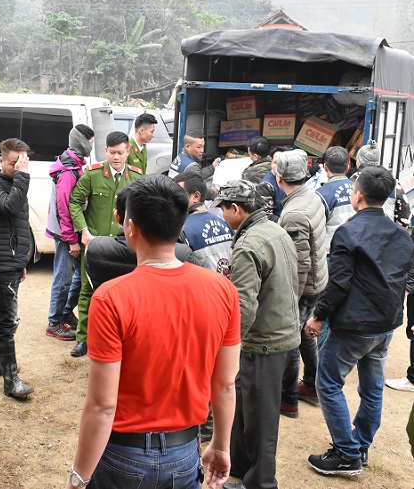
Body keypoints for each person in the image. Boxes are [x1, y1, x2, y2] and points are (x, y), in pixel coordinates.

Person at [65, 175, 241, 489]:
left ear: (129, 227)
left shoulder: (110, 297)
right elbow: (226, 384)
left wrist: (79, 477)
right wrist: (221, 445)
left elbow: (103, 405)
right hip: (185, 451)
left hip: (123, 454)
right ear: (181, 225)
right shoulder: (223, 290)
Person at [305, 165, 414, 475]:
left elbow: (338, 284)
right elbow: (407, 273)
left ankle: (347, 452)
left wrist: (318, 317)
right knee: (372, 389)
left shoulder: (348, 232)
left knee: (328, 383)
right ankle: (360, 446)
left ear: (358, 196)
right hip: (385, 324)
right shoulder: (401, 233)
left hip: (354, 325)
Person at [212, 179, 300, 489]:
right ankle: (240, 464)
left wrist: (228, 346)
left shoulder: (249, 245)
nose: (222, 215)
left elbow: (243, 305)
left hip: (264, 342)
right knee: (245, 409)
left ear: (236, 209)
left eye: (224, 209)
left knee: (261, 419)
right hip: (282, 331)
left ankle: (261, 482)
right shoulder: (275, 229)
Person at [68, 131, 143, 358]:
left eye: (120, 152)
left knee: (124, 292)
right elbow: (74, 201)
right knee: (87, 290)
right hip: (94, 244)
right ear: (105, 151)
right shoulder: (93, 174)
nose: (116, 157)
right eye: (112, 153)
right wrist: (83, 231)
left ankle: (121, 338)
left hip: (122, 245)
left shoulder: (136, 177)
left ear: (128, 152)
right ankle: (83, 339)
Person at [275, 149, 328, 418]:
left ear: (280, 177)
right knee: (306, 335)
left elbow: (299, 264)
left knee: (291, 341)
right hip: (318, 280)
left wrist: (290, 299)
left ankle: (288, 399)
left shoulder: (294, 213)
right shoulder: (312, 196)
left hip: (304, 287)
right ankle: (312, 385)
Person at [0, 138, 35, 399]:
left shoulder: (16, 184)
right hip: (1, 263)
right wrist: (22, 176)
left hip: (11, 260)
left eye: (22, 162)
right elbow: (11, 208)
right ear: (0, 161)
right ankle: (10, 380)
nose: (19, 167)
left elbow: (20, 224)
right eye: (14, 163)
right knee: (7, 321)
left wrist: (21, 261)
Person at [45, 124, 95, 342]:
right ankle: (54, 322)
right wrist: (71, 239)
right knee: (63, 278)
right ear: (82, 142)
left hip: (69, 232)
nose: (92, 145)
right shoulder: (68, 171)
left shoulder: (74, 164)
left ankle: (65, 312)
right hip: (65, 234)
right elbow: (64, 208)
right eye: (90, 141)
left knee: (78, 275)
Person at [175, 171, 232, 276]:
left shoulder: (182, 231)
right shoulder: (226, 225)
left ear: (196, 197)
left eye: (178, 194)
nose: (174, 199)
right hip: (227, 285)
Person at [316, 146, 355, 254]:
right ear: (348, 167)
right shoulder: (359, 189)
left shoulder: (321, 193)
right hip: (356, 249)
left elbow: (316, 228)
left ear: (325, 167)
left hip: (332, 251)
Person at [260, 150, 286, 217]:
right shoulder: (266, 185)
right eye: (275, 162)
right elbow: (267, 216)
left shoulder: (292, 178)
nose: (278, 166)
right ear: (271, 163)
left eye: (282, 162)